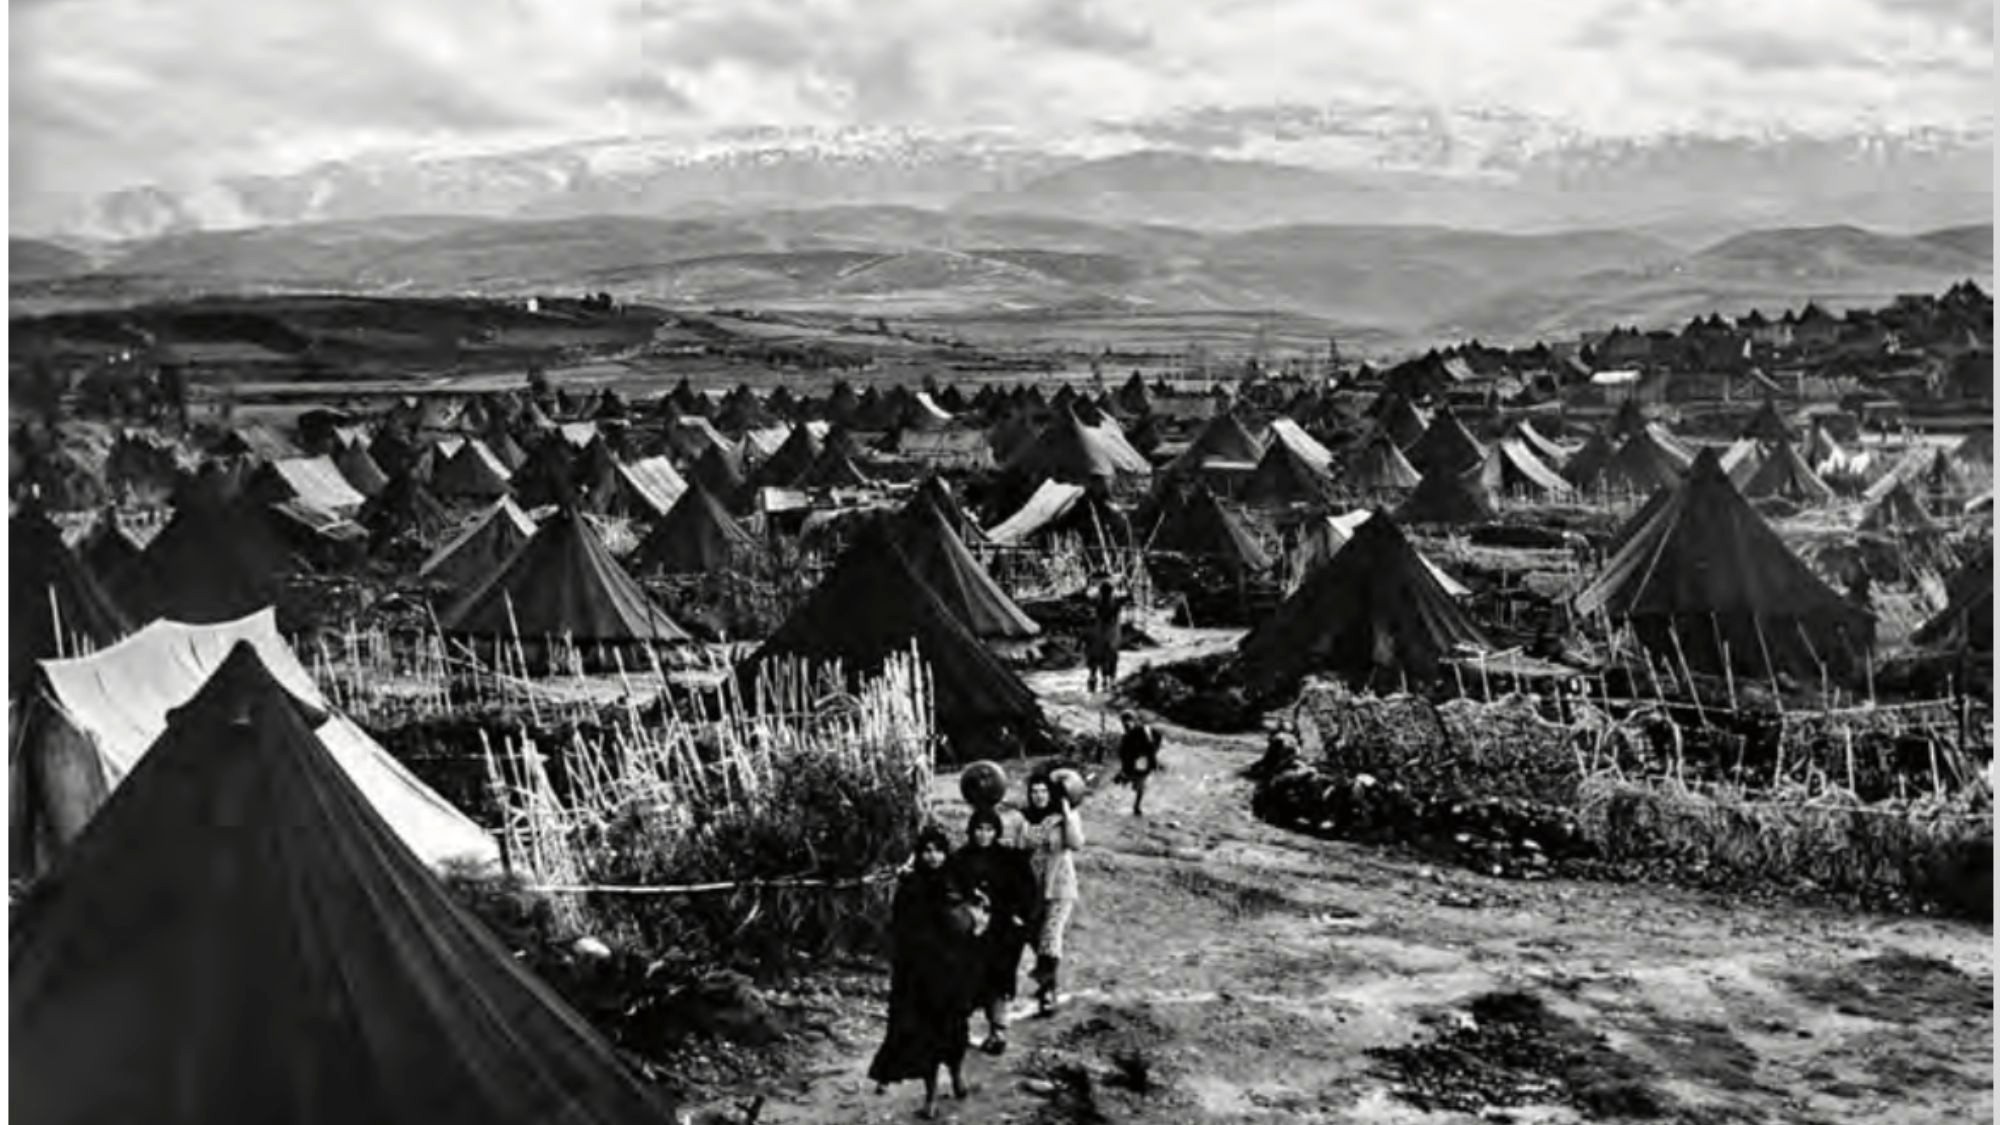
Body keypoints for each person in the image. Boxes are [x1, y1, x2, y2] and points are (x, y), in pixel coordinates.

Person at [869, 826, 987, 1119]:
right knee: (928, 1036)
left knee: (956, 1028)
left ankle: (958, 1075)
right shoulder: (911, 886)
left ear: (946, 853)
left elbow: (972, 920)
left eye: (938, 850)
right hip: (921, 973)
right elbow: (898, 928)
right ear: (919, 854)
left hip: (954, 970)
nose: (933, 856)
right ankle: (931, 1096)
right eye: (927, 851)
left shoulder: (956, 880)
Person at [946, 808, 1037, 1056]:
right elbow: (948, 890)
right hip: (969, 931)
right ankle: (959, 1031)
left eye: (989, 830)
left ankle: (998, 1032)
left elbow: (1027, 890)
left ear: (996, 831)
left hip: (1002, 931)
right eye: (979, 829)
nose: (984, 835)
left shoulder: (1010, 859)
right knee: (966, 978)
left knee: (1000, 977)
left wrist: (1019, 916)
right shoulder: (959, 859)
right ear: (971, 831)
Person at [1015, 775, 1085, 1017]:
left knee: (1050, 934)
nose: (1039, 796)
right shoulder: (1024, 818)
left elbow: (1076, 844)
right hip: (1032, 887)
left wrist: (1067, 814)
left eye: (1043, 791)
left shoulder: (1064, 817)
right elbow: (1018, 848)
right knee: (1034, 936)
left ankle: (1048, 993)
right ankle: (1048, 981)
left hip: (1060, 885)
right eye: (1034, 791)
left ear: (1052, 794)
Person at [1113, 710, 1163, 816]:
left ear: (1134, 721)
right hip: (1134, 761)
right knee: (1133, 779)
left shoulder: (1144, 731)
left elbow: (1152, 745)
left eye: (1128, 722)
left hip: (1144, 759)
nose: (1126, 725)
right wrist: (1122, 769)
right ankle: (1125, 778)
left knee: (1140, 783)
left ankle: (1137, 806)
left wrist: (1153, 760)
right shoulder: (1126, 736)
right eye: (1124, 723)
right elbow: (1123, 754)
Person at [1086, 579, 1126, 693]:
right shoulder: (1113, 601)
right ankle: (1107, 681)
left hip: (1104, 632)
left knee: (1099, 656)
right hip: (1108, 633)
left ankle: (1097, 680)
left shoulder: (1099, 600)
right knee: (1108, 656)